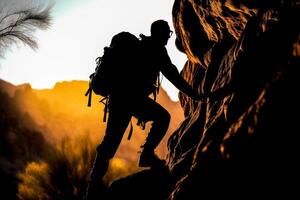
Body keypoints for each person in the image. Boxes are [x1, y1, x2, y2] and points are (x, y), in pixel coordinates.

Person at [85, 19, 201, 199]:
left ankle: (92, 187)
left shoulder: (140, 45)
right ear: (161, 34)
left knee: (110, 144)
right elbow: (172, 75)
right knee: (162, 118)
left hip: (120, 99)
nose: (168, 38)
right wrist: (194, 94)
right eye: (167, 34)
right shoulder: (158, 51)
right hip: (132, 100)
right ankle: (146, 155)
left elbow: (170, 73)